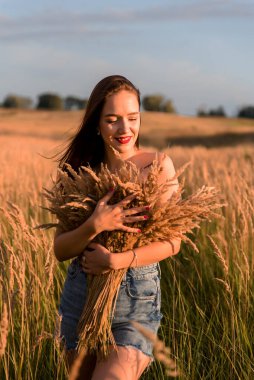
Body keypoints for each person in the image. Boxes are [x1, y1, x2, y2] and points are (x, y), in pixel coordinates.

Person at [54, 75, 181, 379]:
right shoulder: (79, 173)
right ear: (96, 123)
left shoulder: (158, 166)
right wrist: (95, 225)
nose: (125, 129)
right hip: (80, 300)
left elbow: (175, 242)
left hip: (135, 303)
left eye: (132, 118)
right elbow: (60, 249)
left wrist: (115, 261)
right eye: (112, 120)